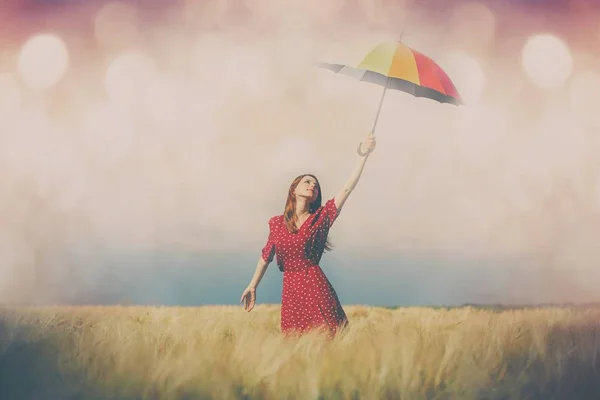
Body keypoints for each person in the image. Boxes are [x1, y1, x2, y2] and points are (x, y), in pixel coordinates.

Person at [240, 132, 377, 338]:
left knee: (329, 338)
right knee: (296, 343)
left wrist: (363, 155)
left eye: (315, 185)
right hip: (291, 292)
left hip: (315, 285)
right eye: (307, 181)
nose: (312, 185)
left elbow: (348, 187)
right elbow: (265, 257)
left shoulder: (321, 217)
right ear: (293, 189)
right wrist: (252, 286)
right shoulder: (277, 223)